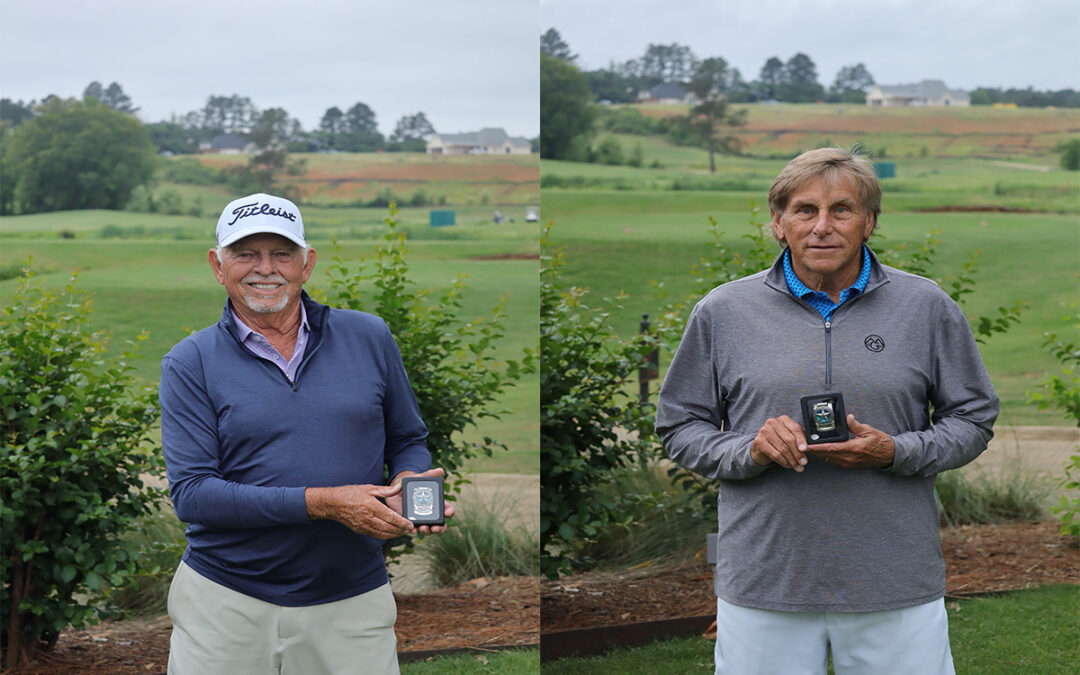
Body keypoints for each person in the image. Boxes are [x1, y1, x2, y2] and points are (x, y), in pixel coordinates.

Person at [656, 148, 998, 674]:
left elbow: (973, 417)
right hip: (765, 577)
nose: (822, 227)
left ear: (869, 221)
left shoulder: (926, 306)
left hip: (893, 575)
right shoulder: (723, 311)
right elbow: (679, 425)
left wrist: (897, 451)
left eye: (841, 209)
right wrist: (750, 450)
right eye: (804, 210)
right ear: (778, 223)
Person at [160, 193, 453, 674]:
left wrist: (407, 484)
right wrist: (325, 503)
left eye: (282, 253)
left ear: (307, 263)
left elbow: (407, 439)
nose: (265, 268)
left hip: (352, 598)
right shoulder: (190, 362)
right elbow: (193, 495)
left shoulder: (369, 336)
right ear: (218, 265)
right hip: (225, 601)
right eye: (246, 253)